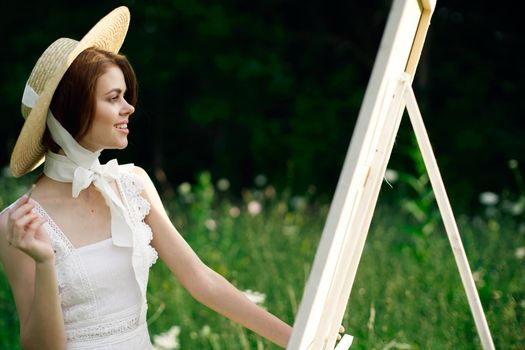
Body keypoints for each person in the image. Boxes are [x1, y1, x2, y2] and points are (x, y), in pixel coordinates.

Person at [0, 6, 303, 349]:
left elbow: (201, 280)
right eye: (113, 98)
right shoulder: (18, 223)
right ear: (70, 111)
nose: (129, 107)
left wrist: (300, 339)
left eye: (126, 96)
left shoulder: (132, 184)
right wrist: (44, 262)